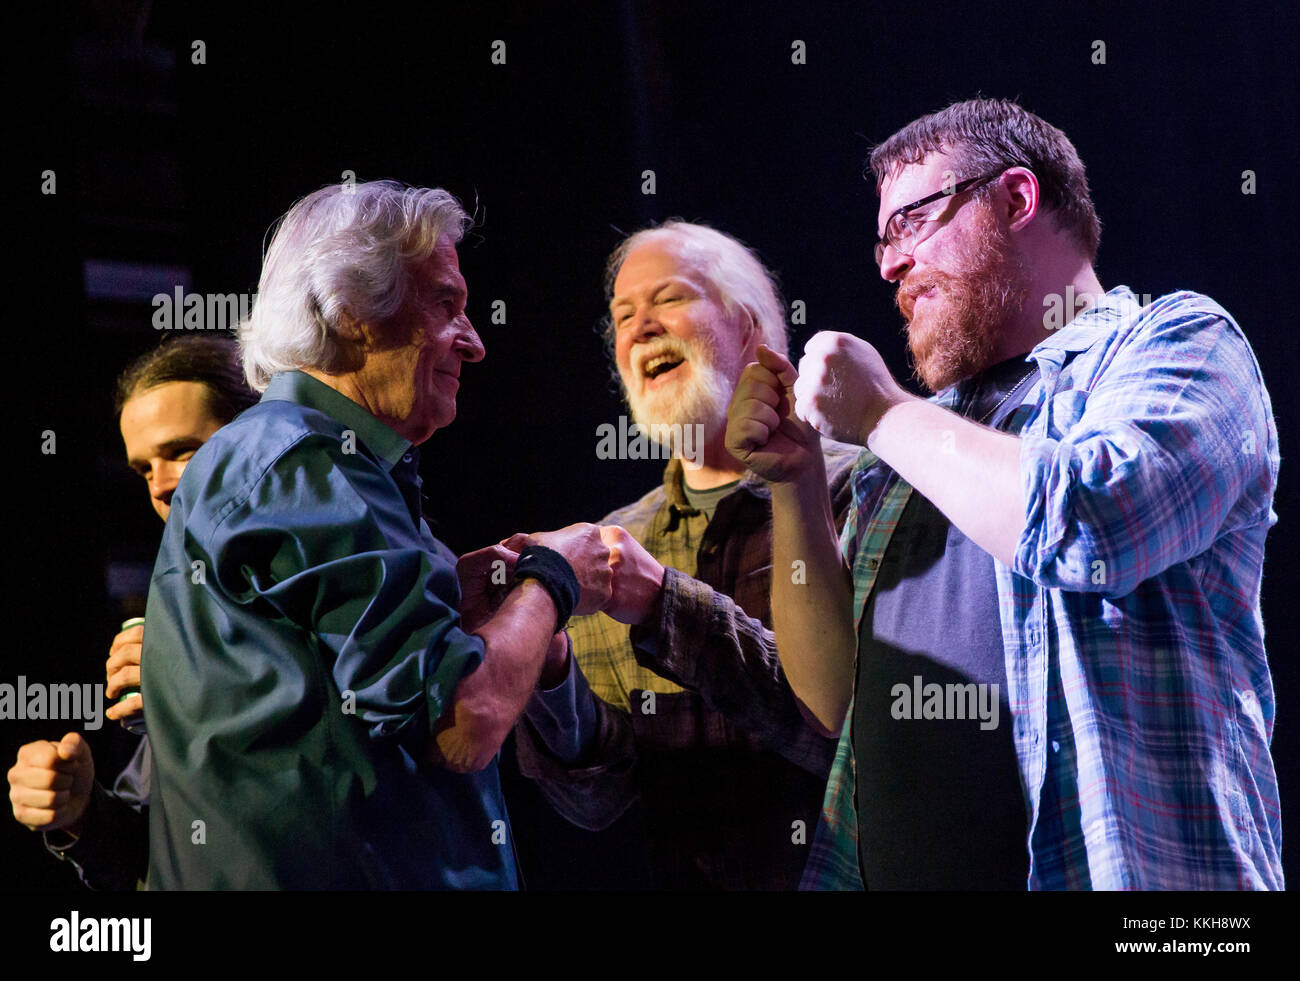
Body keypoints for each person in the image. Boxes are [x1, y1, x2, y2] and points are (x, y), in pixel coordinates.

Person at [727, 97, 1283, 890]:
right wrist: (797, 484)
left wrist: (883, 410)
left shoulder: (1176, 342)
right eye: (880, 239)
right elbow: (830, 695)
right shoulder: (910, 447)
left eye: (912, 220)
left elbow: (1095, 523)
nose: (889, 265)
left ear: (1017, 199)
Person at [141, 180, 611, 889]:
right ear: (353, 307)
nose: (476, 343)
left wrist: (465, 608)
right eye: (447, 304)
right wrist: (554, 576)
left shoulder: (310, 460)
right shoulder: (304, 459)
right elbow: (465, 719)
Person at [513, 221, 859, 889]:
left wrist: (664, 602)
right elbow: (597, 800)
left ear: (747, 327)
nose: (640, 327)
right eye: (622, 315)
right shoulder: (619, 539)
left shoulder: (860, 489)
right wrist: (550, 667)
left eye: (668, 298)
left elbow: (847, 734)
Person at [7, 335, 258, 890]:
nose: (161, 487)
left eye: (182, 452)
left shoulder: (348, 565)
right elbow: (157, 848)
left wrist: (199, 683)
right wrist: (80, 815)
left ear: (259, 439)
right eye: (144, 470)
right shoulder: (184, 606)